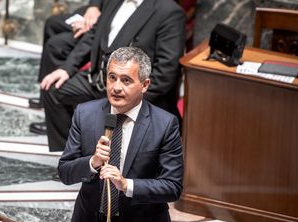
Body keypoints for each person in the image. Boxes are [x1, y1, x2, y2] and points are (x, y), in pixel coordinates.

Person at [58, 47, 184, 222]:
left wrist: (126, 185)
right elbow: (65, 172)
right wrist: (93, 161)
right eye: (112, 77)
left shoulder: (165, 124)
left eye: (126, 80)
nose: (116, 87)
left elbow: (172, 186)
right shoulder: (85, 113)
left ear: (144, 84)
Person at [31, 0, 186, 151]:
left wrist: (131, 98)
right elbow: (93, 35)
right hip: (98, 80)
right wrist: (66, 69)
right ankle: (74, 158)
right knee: (52, 89)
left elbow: (166, 72)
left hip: (131, 90)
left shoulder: (169, 11)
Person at [29, 0, 103, 110]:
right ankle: (46, 96)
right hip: (101, 9)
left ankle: (56, 102)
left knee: (56, 45)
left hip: (105, 23)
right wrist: (94, 7)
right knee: (52, 23)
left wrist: (98, 24)